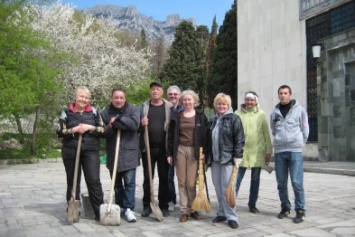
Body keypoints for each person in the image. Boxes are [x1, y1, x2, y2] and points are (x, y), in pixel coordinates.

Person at [57, 86, 104, 221]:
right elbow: (59, 132)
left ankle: (98, 211)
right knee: (73, 181)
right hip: (71, 150)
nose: (84, 99)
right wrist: (74, 129)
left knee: (94, 181)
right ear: (75, 97)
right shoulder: (66, 113)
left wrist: (90, 127)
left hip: (91, 150)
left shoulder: (94, 112)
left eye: (86, 97)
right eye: (81, 96)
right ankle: (73, 210)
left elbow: (103, 130)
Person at [167, 90, 208, 222]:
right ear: (181, 101)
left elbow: (206, 137)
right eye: (184, 100)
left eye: (189, 100)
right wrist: (169, 153)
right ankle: (184, 211)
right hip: (180, 150)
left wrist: (205, 152)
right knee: (181, 182)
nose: (187, 102)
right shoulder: (177, 116)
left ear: (194, 101)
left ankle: (193, 209)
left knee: (191, 183)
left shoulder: (201, 116)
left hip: (194, 151)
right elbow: (171, 136)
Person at [270, 85, 309, 223]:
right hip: (280, 151)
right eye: (280, 93)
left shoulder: (299, 110)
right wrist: (279, 141)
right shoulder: (275, 112)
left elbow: (305, 128)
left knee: (297, 182)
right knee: (281, 183)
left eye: (285, 93)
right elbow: (274, 130)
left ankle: (300, 210)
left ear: (290, 94)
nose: (283, 95)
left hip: (295, 151)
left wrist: (299, 142)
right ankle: (285, 208)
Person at [100, 88, 140, 223]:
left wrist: (119, 119)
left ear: (125, 98)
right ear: (111, 98)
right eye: (116, 97)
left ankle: (129, 208)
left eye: (121, 98)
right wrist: (112, 126)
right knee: (116, 185)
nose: (119, 100)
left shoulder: (133, 110)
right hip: (113, 153)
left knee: (129, 183)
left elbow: (134, 125)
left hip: (129, 153)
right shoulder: (105, 112)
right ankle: (121, 206)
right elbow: (103, 132)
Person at [206, 93, 245, 229]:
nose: (221, 106)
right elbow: (207, 141)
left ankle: (232, 216)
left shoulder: (234, 119)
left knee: (227, 188)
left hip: (228, 160)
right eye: (219, 104)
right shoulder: (212, 121)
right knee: (218, 187)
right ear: (215, 105)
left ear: (228, 106)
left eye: (224, 104)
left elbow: (239, 139)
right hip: (215, 160)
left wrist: (237, 156)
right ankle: (222, 212)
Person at [234, 91, 272, 214]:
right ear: (244, 101)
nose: (249, 102)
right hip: (241, 152)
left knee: (255, 180)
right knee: (236, 179)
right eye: (247, 100)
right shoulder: (237, 114)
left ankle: (252, 204)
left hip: (256, 152)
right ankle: (231, 202)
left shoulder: (261, 114)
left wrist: (268, 150)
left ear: (256, 101)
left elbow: (266, 133)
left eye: (252, 100)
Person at [139, 81, 173, 217]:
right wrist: (141, 124)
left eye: (158, 89)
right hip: (148, 148)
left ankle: (163, 205)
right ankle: (147, 205)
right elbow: (136, 125)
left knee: (164, 178)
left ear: (162, 92)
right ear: (150, 92)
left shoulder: (169, 107)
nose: (155, 91)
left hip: (163, 149)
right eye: (153, 89)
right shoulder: (144, 107)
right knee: (148, 178)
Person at [166, 85, 183, 212]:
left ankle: (187, 201)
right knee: (168, 176)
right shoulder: (166, 109)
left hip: (183, 148)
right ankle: (171, 199)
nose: (173, 96)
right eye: (170, 94)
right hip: (170, 148)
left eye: (175, 94)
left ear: (179, 96)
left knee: (184, 177)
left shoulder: (185, 109)